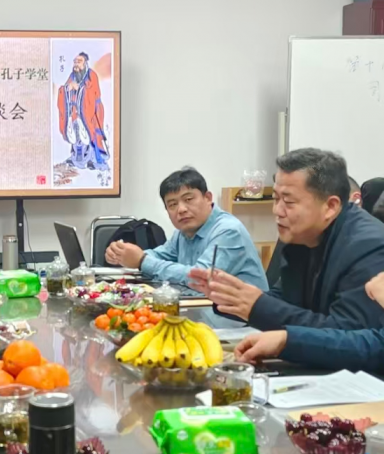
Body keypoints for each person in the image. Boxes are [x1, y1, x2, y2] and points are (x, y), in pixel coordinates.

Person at [189, 148, 384, 331]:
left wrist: (258, 307)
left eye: (288, 201)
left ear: (331, 206)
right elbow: (285, 300)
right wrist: (232, 296)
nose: (277, 210)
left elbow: (346, 331)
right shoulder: (301, 234)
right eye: (276, 199)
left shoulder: (368, 246)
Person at [106, 167, 268, 290]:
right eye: (172, 204)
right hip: (204, 308)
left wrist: (142, 260)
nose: (181, 209)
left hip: (239, 320)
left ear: (208, 198)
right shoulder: (183, 232)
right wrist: (124, 254)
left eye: (188, 199)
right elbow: (160, 255)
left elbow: (200, 279)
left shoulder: (228, 231)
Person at [233, 272, 384, 372]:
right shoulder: (299, 249)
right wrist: (285, 341)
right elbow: (373, 345)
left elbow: (369, 347)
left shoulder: (365, 244)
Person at [57, 52, 109, 171]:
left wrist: (79, 88)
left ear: (85, 63)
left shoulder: (92, 75)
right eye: (75, 62)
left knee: (92, 135)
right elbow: (65, 90)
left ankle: (95, 159)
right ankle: (76, 158)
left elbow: (93, 93)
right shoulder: (72, 76)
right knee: (76, 135)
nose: (76, 64)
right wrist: (66, 89)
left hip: (92, 111)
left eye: (79, 62)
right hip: (76, 112)